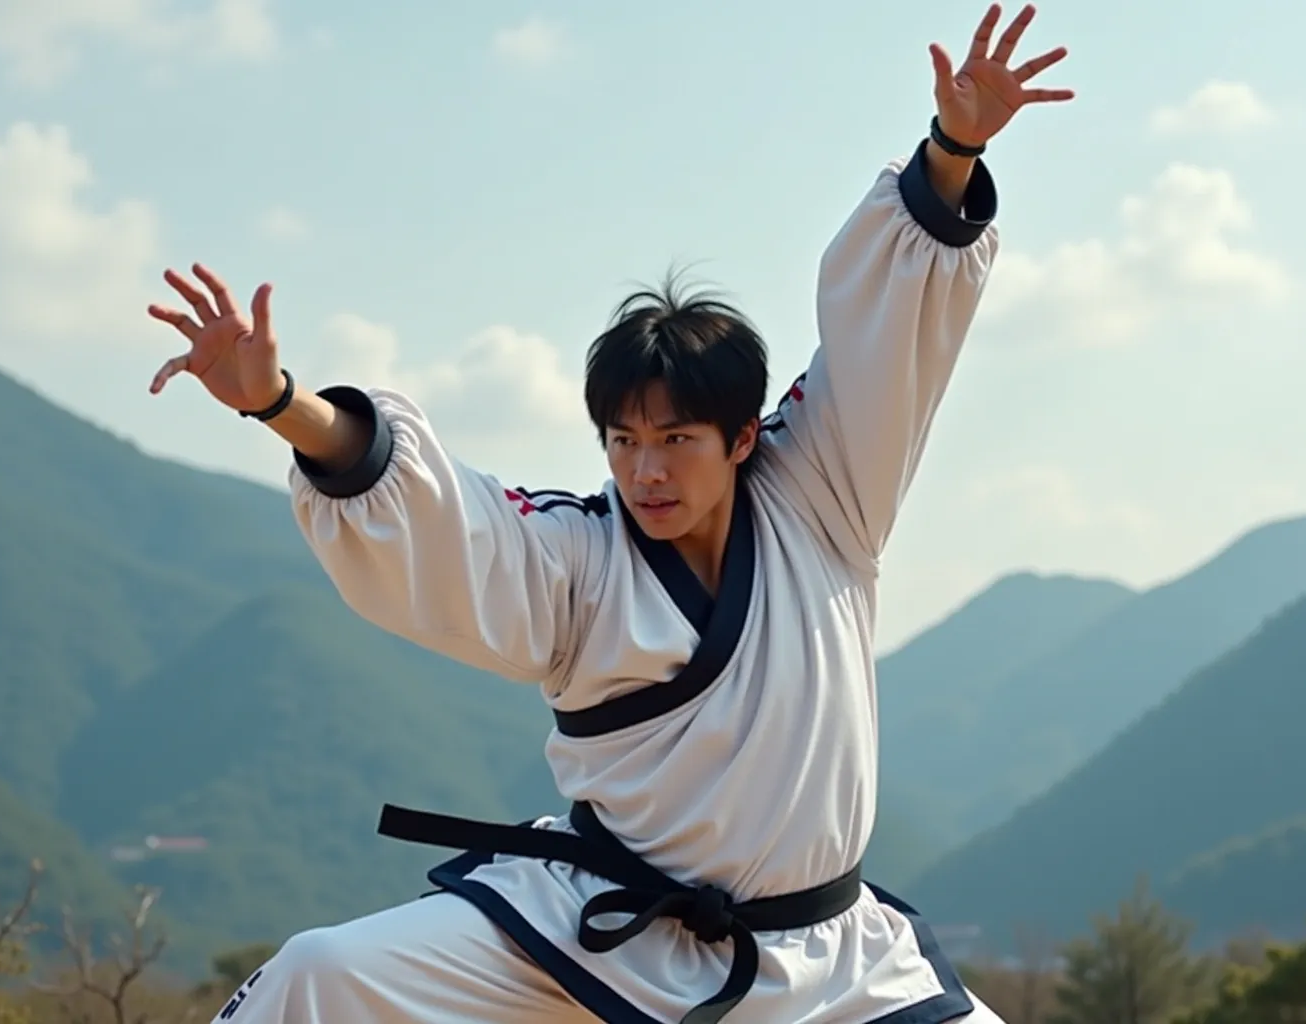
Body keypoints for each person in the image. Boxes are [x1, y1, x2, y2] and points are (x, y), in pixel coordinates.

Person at [146, 5, 1072, 1021]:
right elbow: (443, 521)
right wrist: (284, 405)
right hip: (598, 929)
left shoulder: (828, 493)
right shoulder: (578, 558)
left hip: (830, 957)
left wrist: (952, 150)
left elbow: (884, 338)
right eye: (622, 442)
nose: (645, 472)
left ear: (743, 436)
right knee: (318, 972)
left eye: (675, 439)